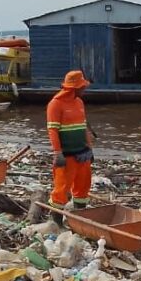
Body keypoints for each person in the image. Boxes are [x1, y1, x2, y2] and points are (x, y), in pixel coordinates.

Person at [46, 70, 94, 223]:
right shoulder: (55, 104)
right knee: (61, 189)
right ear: (74, 88)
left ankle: (80, 219)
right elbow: (52, 130)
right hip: (67, 156)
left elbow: (83, 126)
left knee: (83, 187)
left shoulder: (79, 102)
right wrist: (57, 153)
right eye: (82, 87)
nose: (85, 89)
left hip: (82, 153)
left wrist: (89, 147)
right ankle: (56, 222)